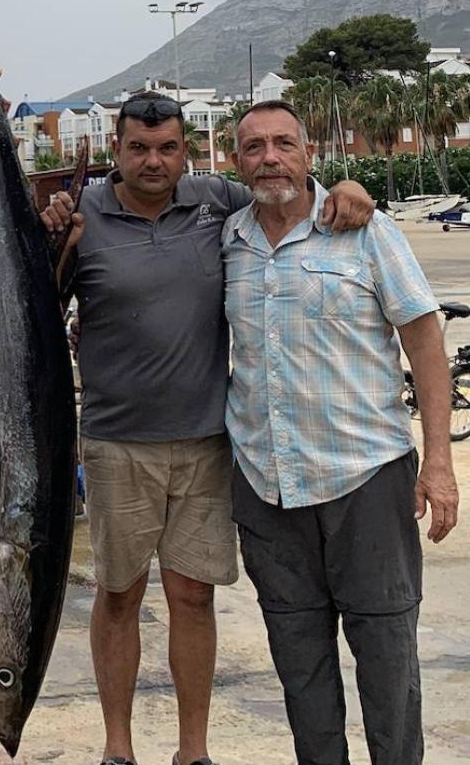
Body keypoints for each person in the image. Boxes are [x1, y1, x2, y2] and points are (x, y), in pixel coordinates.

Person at [40, 92, 376, 765]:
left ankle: (193, 752)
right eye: (139, 148)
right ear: (117, 150)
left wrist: (346, 183)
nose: (154, 161)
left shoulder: (215, 200)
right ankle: (118, 748)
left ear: (186, 153)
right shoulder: (84, 217)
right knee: (118, 594)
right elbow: (39, 308)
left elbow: (282, 187)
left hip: (204, 440)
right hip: (114, 441)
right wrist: (50, 240)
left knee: (193, 596)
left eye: (167, 148)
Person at [222, 100, 458, 765]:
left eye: (284, 143)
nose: (270, 157)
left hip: (367, 480)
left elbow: (424, 340)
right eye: (255, 147)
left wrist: (436, 463)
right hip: (267, 490)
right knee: (300, 669)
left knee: (387, 660)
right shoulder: (227, 239)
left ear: (309, 154)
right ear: (237, 162)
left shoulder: (364, 229)